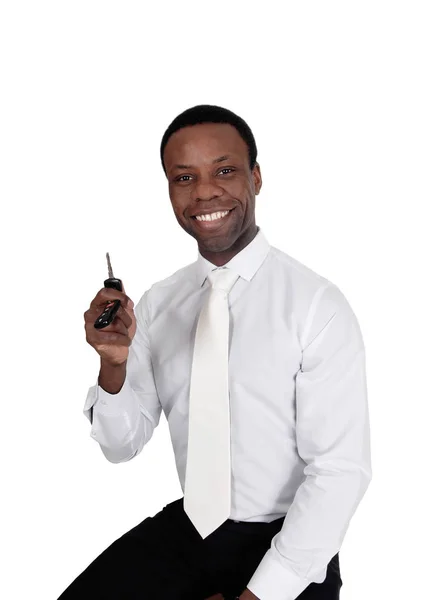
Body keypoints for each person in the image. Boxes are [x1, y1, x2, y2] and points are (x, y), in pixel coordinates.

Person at [59, 105, 372, 600]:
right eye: (184, 177)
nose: (204, 192)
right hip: (191, 529)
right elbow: (121, 446)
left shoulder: (315, 305)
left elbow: (338, 473)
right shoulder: (160, 303)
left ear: (257, 177)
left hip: (289, 540)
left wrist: (259, 596)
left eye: (224, 170)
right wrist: (112, 366)